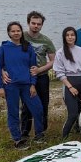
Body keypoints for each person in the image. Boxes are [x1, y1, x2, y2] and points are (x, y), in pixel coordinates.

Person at [0, 21, 45, 149]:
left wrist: (33, 84)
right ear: (9, 33)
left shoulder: (28, 47)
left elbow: (33, 68)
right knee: (13, 112)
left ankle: (39, 135)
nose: (16, 33)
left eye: (18, 31)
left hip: (27, 85)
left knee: (38, 109)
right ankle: (17, 140)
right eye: (13, 31)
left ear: (21, 32)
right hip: (11, 85)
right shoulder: (4, 48)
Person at [53, 27, 81, 139]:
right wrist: (70, 87)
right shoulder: (60, 52)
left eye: (72, 35)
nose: (70, 37)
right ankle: (64, 137)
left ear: (76, 37)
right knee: (73, 114)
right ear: (64, 37)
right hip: (70, 83)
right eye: (68, 35)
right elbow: (59, 73)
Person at [20, 11, 55, 139]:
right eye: (33, 23)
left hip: (42, 77)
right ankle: (24, 131)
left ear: (41, 25)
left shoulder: (46, 41)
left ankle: (41, 132)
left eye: (38, 24)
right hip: (25, 77)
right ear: (28, 23)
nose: (36, 26)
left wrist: (39, 70)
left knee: (43, 104)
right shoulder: (21, 37)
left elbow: (53, 61)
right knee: (26, 105)